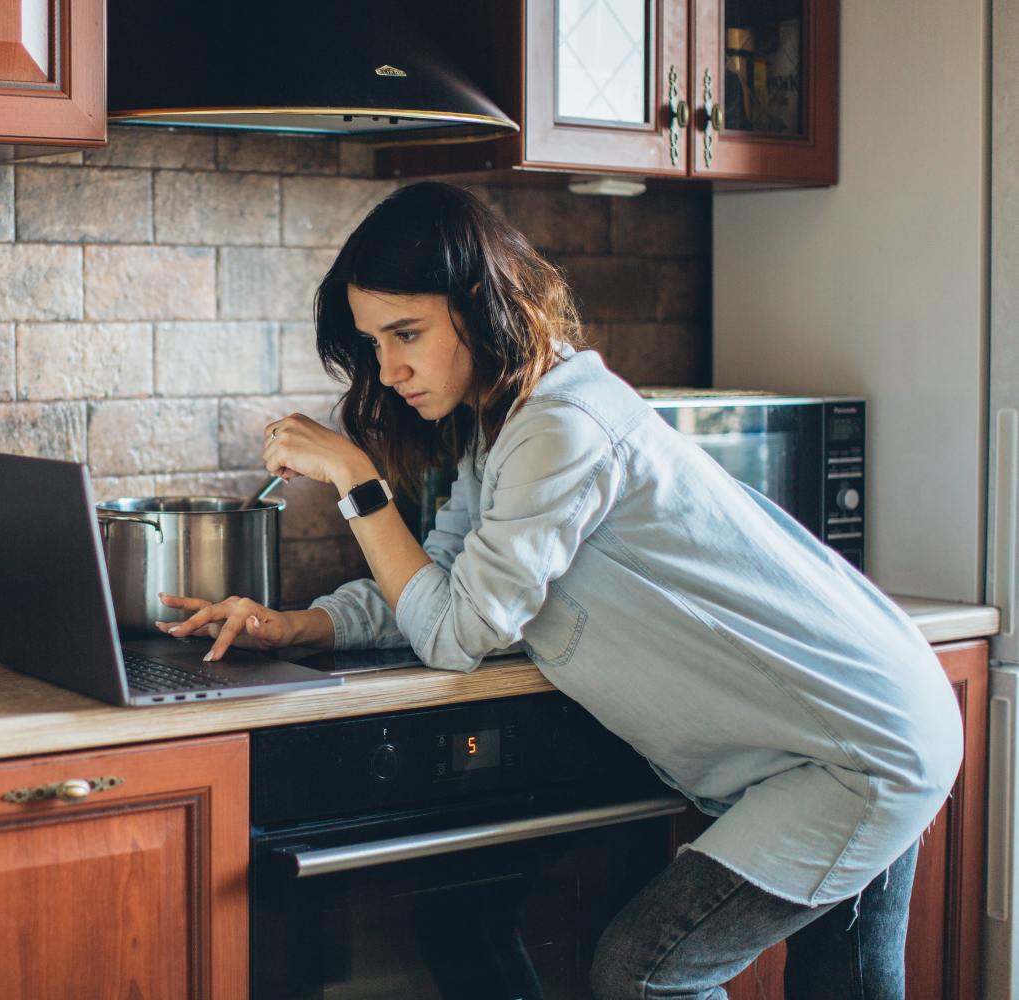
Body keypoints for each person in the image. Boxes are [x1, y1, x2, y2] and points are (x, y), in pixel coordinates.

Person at [157, 181, 961, 999]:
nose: (388, 369)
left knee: (646, 974)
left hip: (858, 744)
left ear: (479, 306)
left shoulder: (557, 425)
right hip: (852, 721)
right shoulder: (503, 424)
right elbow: (432, 582)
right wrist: (298, 627)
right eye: (372, 344)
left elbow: (455, 629)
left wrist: (357, 480)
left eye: (407, 333)